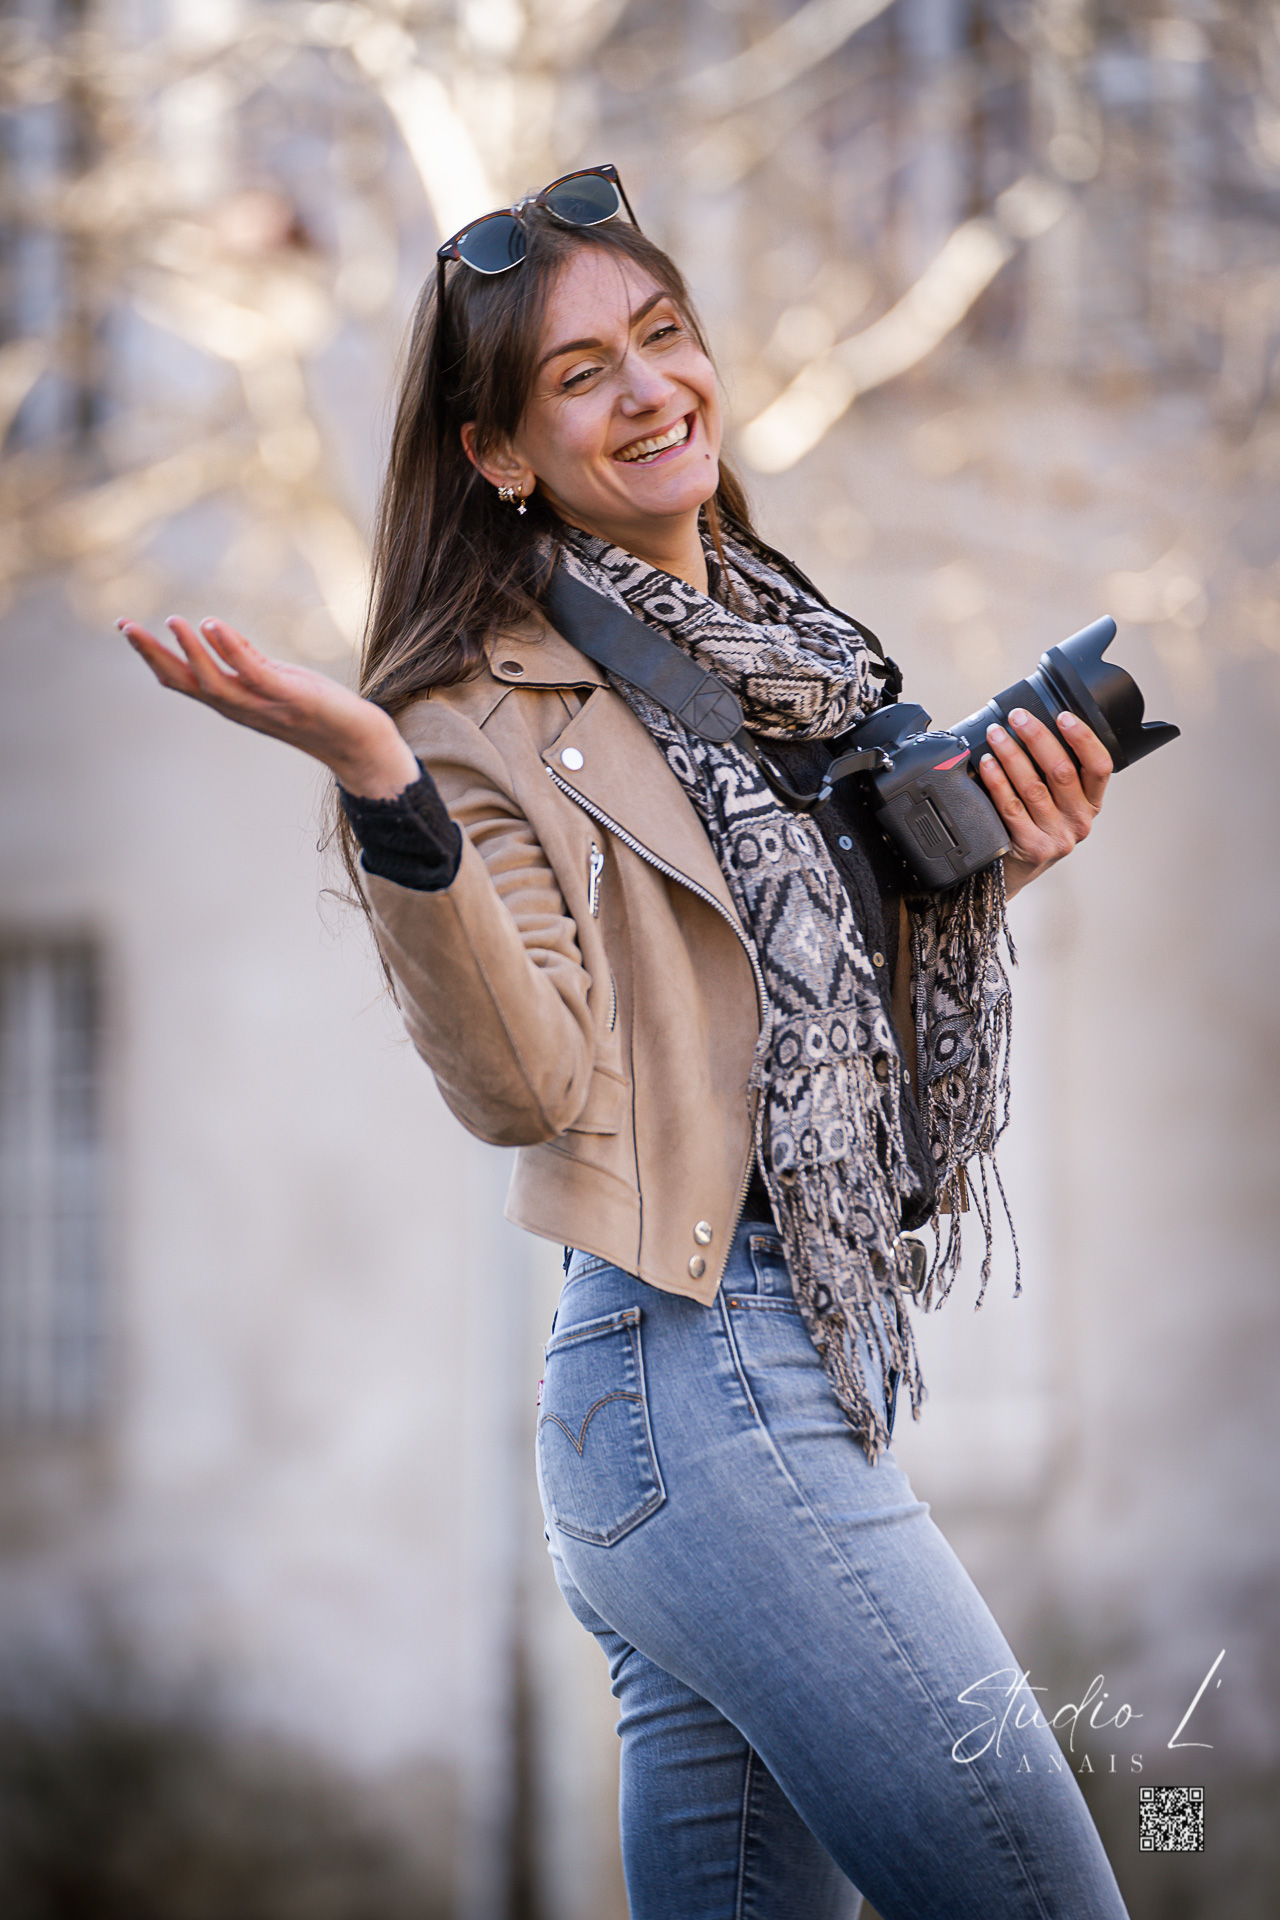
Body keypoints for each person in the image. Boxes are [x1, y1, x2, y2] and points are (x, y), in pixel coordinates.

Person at [120, 166, 1129, 1920]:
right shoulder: (466, 712)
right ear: (499, 452)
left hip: (804, 1363)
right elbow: (527, 1086)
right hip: (703, 1373)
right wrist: (387, 792)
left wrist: (993, 867)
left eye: (663, 337)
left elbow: (778, 1019)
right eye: (581, 374)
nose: (652, 387)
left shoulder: (789, 660)